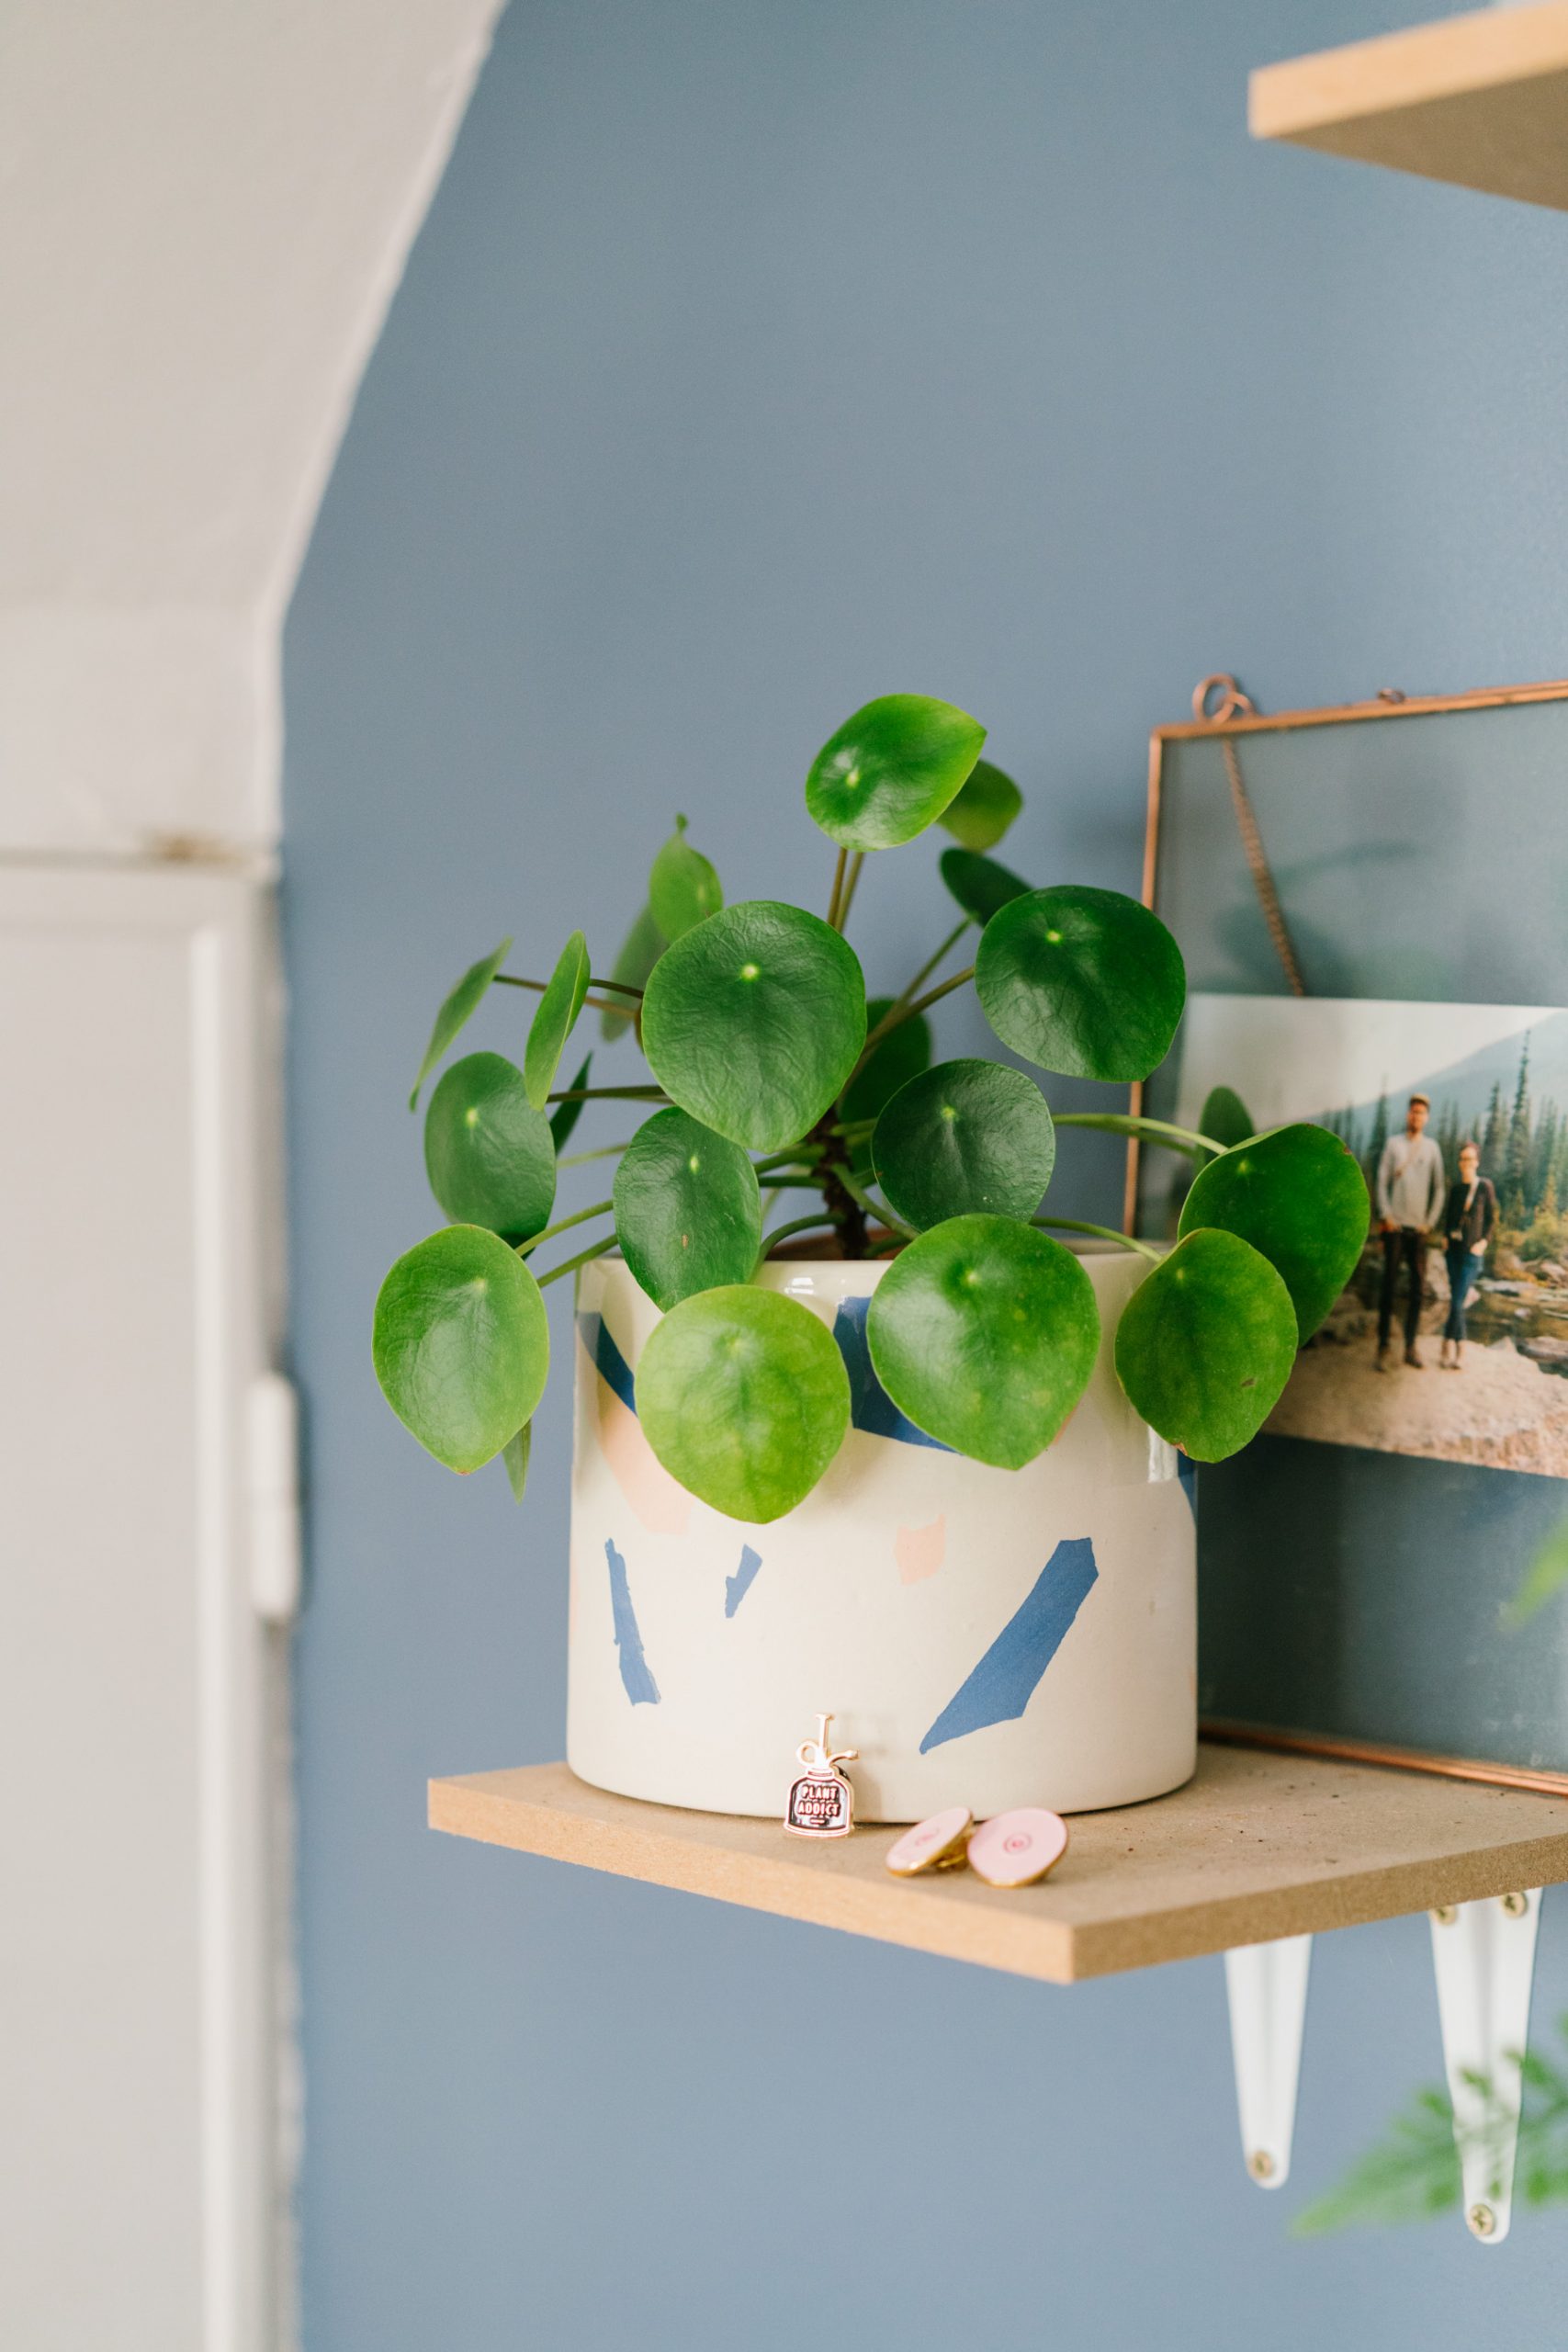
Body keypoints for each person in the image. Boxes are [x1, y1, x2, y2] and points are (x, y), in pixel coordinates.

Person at [1375, 1092, 1445, 1370]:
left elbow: (1439, 1187)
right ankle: (1382, 1346)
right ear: (1408, 1115)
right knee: (1388, 1288)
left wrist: (1430, 1221)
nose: (1416, 1116)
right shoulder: (1394, 1145)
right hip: (1394, 1228)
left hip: (1418, 1231)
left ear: (1426, 1118)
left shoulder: (1432, 1149)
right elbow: (1381, 1182)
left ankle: (1411, 1346)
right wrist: (1386, 1215)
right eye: (1413, 1112)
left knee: (1417, 1291)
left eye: (1421, 1113)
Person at [1439, 1139, 1497, 1371]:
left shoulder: (1484, 1186)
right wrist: (1444, 1237)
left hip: (1471, 1255)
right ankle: (1447, 1344)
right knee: (1456, 1299)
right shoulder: (1455, 1189)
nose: (1466, 1163)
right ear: (1459, 1162)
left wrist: (1483, 1242)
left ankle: (1456, 1347)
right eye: (1463, 1159)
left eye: (1470, 1159)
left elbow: (1492, 1218)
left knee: (1456, 1301)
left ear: (1477, 1161)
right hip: (1452, 1252)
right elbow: (1449, 1217)